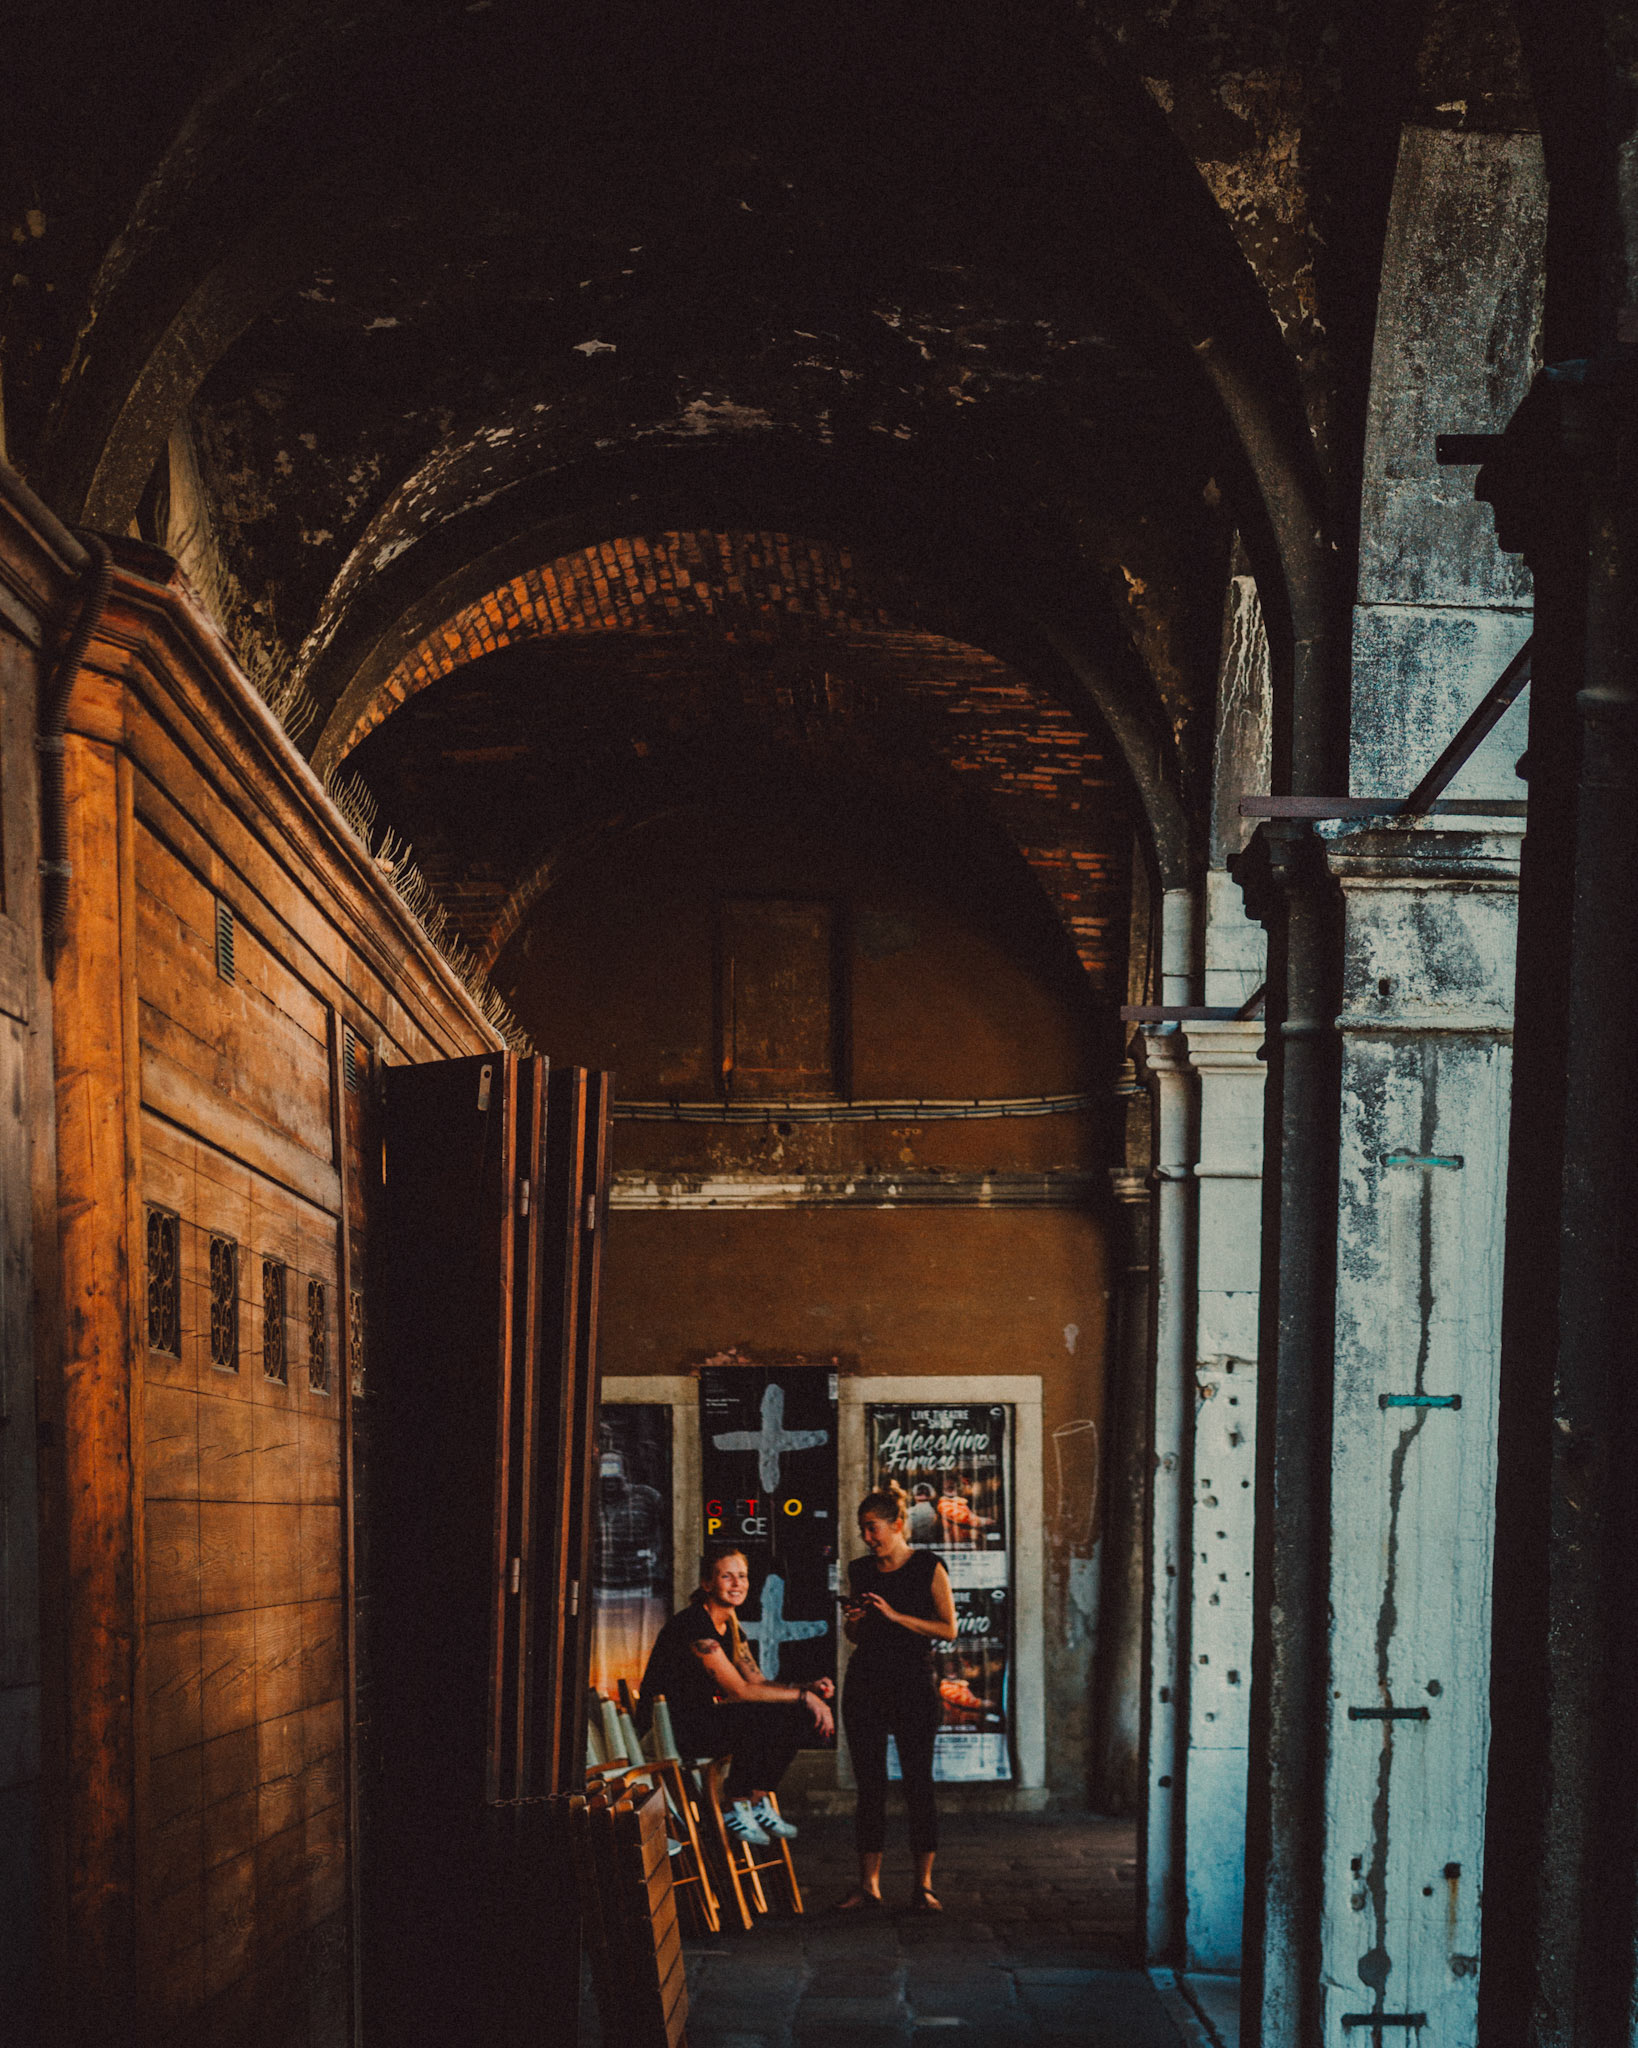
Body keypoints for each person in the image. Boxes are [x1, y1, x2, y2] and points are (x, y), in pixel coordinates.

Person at [639, 1544, 835, 1846]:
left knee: (793, 1712)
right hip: (672, 1732)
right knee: (758, 1713)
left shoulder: (730, 1625)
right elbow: (739, 1691)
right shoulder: (696, 1624)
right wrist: (805, 1698)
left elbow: (757, 1680)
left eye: (742, 1576)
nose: (737, 1584)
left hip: (703, 1723)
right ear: (707, 1583)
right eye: (727, 1576)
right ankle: (734, 1803)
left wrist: (806, 1689)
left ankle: (755, 1800)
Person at [837, 1484, 958, 1913]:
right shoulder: (860, 1569)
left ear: (898, 1525)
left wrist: (894, 1616)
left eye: (873, 1529)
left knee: (917, 1782)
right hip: (866, 1681)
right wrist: (854, 1621)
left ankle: (923, 1885)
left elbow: (948, 1629)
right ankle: (869, 1885)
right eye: (862, 1530)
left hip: (912, 1682)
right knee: (869, 1786)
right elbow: (856, 1636)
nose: (868, 1538)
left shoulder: (927, 1566)